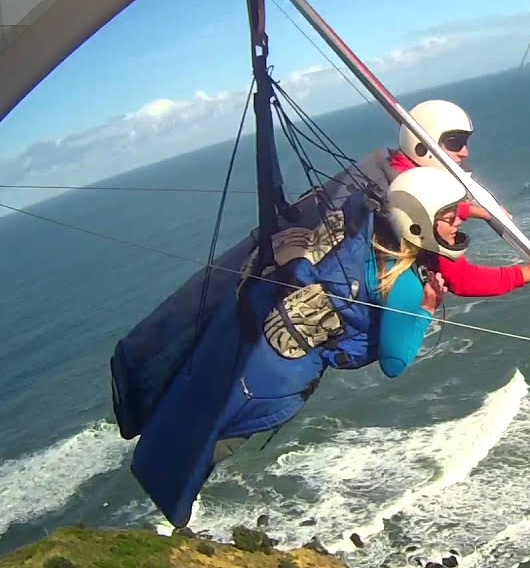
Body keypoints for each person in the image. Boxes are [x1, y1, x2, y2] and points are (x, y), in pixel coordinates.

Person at [128, 167, 461, 528]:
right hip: (274, 374)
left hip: (257, 326)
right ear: (419, 223)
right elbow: (395, 362)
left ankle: (155, 451)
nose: (457, 222)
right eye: (448, 217)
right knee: (210, 438)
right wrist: (426, 308)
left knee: (194, 403)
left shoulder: (366, 229)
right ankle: (169, 498)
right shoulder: (404, 284)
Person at [389, 98, 530, 297]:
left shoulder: (394, 174)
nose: (465, 152)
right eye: (454, 143)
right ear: (422, 146)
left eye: (464, 143)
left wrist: (477, 211)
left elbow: (429, 211)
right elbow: (461, 280)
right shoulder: (414, 193)